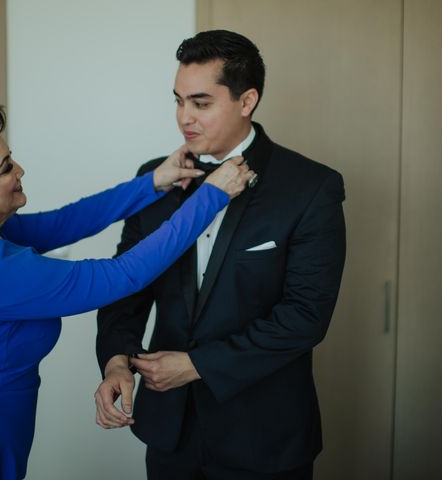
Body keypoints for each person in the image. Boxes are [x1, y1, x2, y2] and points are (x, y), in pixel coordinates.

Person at [0, 105, 255, 480]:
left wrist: (154, 181)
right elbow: (124, 275)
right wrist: (212, 196)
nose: (20, 171)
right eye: (6, 168)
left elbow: (63, 223)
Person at [95, 30, 346, 479]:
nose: (183, 118)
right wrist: (117, 359)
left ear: (246, 101)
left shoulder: (310, 187)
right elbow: (126, 286)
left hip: (265, 435)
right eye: (178, 100)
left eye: (201, 103)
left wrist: (196, 365)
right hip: (170, 430)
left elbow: (305, 316)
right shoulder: (155, 179)